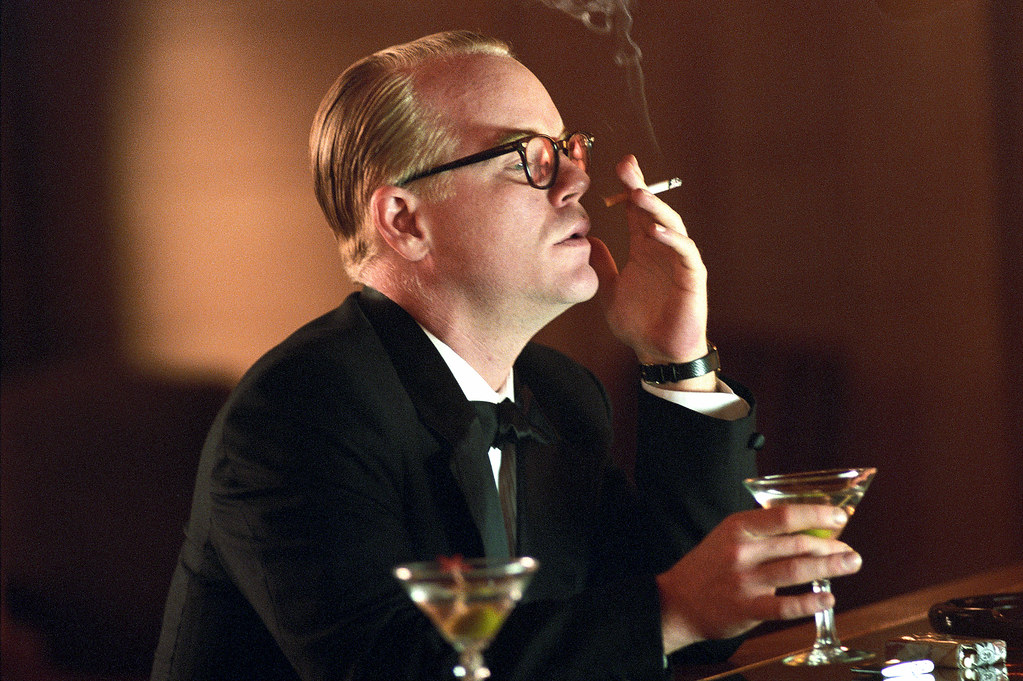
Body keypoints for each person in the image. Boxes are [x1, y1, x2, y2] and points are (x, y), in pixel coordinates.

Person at [151, 30, 863, 681]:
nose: (577, 181)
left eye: (568, 148)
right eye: (531, 157)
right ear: (405, 220)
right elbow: (390, 667)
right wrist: (670, 610)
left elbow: (696, 628)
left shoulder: (560, 395)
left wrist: (676, 361)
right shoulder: (298, 410)